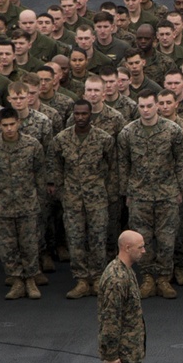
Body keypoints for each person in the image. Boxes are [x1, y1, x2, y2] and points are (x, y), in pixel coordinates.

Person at [117, 90, 183, 299]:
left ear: (158, 105)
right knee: (143, 240)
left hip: (167, 193)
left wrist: (180, 190)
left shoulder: (173, 131)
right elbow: (124, 164)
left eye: (150, 106)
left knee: (167, 239)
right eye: (142, 106)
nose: (146, 110)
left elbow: (181, 163)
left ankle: (164, 278)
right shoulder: (128, 133)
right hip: (139, 194)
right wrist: (126, 193)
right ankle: (148, 278)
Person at [51, 98, 117, 299]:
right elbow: (55, 168)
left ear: (90, 115)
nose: (80, 117)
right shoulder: (61, 139)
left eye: (84, 114)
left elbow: (113, 168)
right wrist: (62, 192)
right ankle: (81, 280)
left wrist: (110, 193)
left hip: (97, 197)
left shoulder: (104, 139)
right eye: (77, 114)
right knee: (75, 239)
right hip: (72, 198)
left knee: (98, 239)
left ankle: (97, 279)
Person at [0, 107, 47, 300]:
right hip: (2, 204)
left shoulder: (32, 145)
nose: (9, 129)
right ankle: (17, 280)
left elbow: (40, 174)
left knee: (30, 244)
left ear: (19, 123)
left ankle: (31, 279)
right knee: (7, 246)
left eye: (12, 124)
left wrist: (40, 199)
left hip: (27, 203)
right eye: (5, 125)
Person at [97, 230, 146, 363]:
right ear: (127, 248)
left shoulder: (126, 271)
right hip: (122, 354)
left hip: (130, 351)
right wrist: (110, 355)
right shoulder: (116, 278)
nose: (144, 250)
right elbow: (110, 319)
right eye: (140, 247)